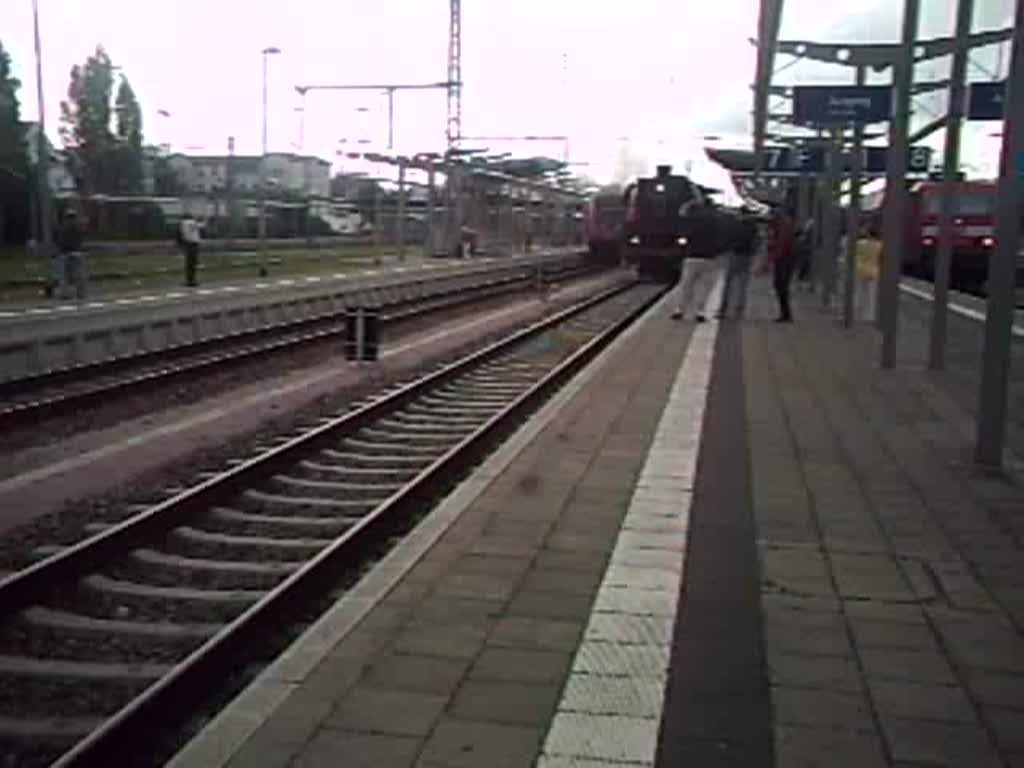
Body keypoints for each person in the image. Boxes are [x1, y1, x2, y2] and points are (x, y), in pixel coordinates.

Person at [671, 200, 719, 322]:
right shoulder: (715, 221)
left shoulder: (691, 220)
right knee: (705, 287)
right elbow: (722, 237)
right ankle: (700, 312)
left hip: (691, 256)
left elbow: (682, 235)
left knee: (686, 285)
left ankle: (679, 310)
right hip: (709, 258)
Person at [717, 209, 759, 319]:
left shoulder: (734, 225)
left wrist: (724, 250)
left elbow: (727, 239)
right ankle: (739, 312)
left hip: (734, 255)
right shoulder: (753, 226)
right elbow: (756, 241)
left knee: (728, 284)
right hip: (747, 257)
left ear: (740, 214)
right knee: (742, 286)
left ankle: (723, 310)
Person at [767, 207, 797, 323]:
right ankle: (785, 313)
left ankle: (786, 314)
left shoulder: (783, 226)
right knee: (780, 286)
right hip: (784, 259)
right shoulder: (782, 224)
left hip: (785, 260)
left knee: (781, 286)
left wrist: (770, 260)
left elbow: (781, 245)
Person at [55, 207, 86, 300]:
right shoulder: (78, 227)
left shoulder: (63, 227)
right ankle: (80, 293)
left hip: (65, 253)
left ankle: (65, 294)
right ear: (75, 217)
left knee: (64, 275)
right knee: (79, 274)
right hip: (77, 253)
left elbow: (60, 240)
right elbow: (81, 239)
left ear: (66, 217)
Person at [178, 211, 202, 287]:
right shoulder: (194, 222)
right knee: (193, 263)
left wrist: (181, 243)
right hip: (196, 243)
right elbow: (200, 226)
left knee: (189, 263)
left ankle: (189, 280)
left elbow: (182, 234)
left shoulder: (184, 223)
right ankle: (193, 280)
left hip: (189, 243)